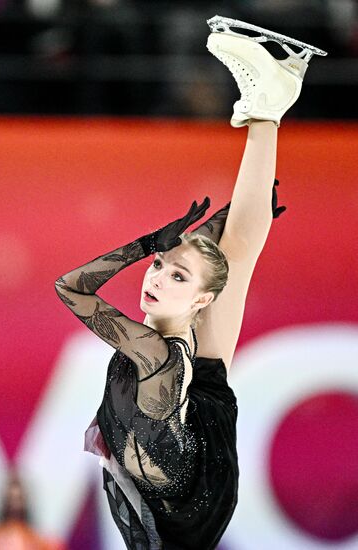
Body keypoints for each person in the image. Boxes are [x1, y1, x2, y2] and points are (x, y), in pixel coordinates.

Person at [55, 16, 324, 550]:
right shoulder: (157, 351)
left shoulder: (156, 348)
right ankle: (268, 108)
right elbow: (72, 289)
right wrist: (176, 239)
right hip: (187, 506)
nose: (154, 277)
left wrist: (149, 244)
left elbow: (72, 290)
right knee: (235, 254)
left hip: (186, 470)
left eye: (172, 274)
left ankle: (270, 106)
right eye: (160, 267)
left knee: (236, 257)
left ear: (201, 300)